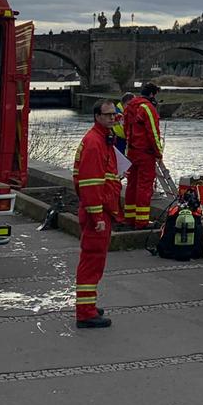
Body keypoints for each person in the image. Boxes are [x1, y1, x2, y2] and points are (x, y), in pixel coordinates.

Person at [71, 101, 123, 329]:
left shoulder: (102, 139)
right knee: (92, 262)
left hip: (102, 209)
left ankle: (89, 305)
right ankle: (85, 313)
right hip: (97, 212)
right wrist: (97, 218)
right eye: (108, 115)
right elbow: (90, 184)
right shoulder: (94, 143)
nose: (113, 118)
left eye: (115, 115)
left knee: (95, 261)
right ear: (97, 116)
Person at [121, 84, 162, 227]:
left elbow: (125, 129)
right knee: (144, 186)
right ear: (152, 94)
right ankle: (142, 221)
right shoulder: (147, 108)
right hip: (145, 153)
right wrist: (159, 152)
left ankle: (130, 217)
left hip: (131, 152)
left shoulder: (130, 107)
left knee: (132, 184)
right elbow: (153, 133)